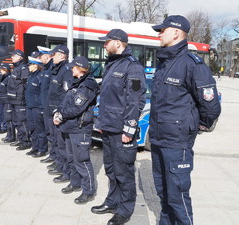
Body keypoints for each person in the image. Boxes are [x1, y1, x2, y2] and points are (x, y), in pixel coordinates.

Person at [149, 15, 221, 225]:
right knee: (163, 195)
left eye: (163, 30)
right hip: (159, 139)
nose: (159, 34)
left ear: (176, 32)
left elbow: (210, 105)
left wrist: (199, 126)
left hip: (176, 142)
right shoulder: (164, 63)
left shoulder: (192, 64)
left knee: (177, 198)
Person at [91, 29, 146, 225]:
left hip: (122, 131)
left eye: (106, 42)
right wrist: (102, 124)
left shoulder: (133, 67)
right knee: (112, 170)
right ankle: (112, 201)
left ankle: (125, 209)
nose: (104, 45)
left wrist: (129, 129)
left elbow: (136, 100)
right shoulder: (112, 64)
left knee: (124, 173)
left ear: (118, 42)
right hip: (108, 127)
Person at [53, 56, 99, 204]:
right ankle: (75, 182)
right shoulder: (76, 83)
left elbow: (77, 108)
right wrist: (58, 112)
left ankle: (88, 191)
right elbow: (65, 102)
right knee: (71, 157)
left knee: (82, 160)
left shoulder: (88, 85)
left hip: (80, 129)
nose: (71, 68)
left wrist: (61, 115)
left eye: (73, 67)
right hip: (70, 126)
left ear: (80, 69)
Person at [44, 44, 72, 184]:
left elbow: (66, 94)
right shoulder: (57, 69)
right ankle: (59, 164)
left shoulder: (66, 70)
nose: (51, 57)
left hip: (58, 113)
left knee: (61, 144)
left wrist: (60, 113)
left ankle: (64, 170)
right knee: (55, 140)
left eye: (53, 55)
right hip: (52, 111)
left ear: (61, 55)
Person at [25, 52, 49, 158]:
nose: (28, 67)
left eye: (30, 64)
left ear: (35, 65)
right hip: (29, 106)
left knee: (40, 129)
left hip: (37, 107)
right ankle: (35, 147)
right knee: (32, 128)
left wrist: (42, 107)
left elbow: (44, 92)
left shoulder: (40, 76)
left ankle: (42, 149)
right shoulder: (31, 76)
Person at [7, 49, 31, 150]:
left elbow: (26, 85)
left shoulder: (23, 68)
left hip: (20, 100)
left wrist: (24, 99)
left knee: (22, 121)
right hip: (13, 99)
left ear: (20, 57)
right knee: (16, 121)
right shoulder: (16, 68)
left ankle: (26, 141)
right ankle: (20, 139)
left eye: (13, 56)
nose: (11, 57)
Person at [0, 63, 15, 143]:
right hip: (3, 101)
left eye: (1, 69)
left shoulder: (9, 78)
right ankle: (8, 134)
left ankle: (11, 136)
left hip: (8, 101)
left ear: (5, 70)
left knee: (9, 119)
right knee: (6, 119)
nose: (0, 71)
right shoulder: (3, 77)